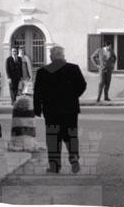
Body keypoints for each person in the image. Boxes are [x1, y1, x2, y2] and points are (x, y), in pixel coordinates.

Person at [34, 45, 87, 174]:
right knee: (71, 134)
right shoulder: (73, 68)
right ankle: (74, 157)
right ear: (63, 56)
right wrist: (73, 96)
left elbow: (37, 92)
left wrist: (37, 108)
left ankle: (54, 165)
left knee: (53, 137)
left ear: (51, 57)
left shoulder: (42, 72)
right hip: (70, 109)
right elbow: (82, 85)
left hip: (51, 109)